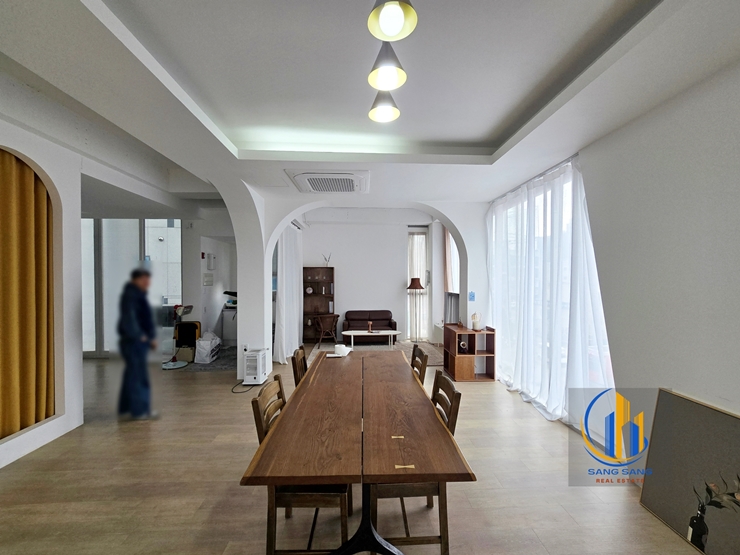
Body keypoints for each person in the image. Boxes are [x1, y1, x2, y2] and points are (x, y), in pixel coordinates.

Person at [117, 268, 158, 420]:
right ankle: (139, 411)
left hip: (135, 340)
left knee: (131, 375)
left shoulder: (137, 294)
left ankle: (126, 408)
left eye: (148, 279)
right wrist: (142, 336)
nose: (147, 282)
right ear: (135, 280)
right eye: (143, 279)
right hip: (134, 342)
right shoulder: (131, 295)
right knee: (138, 377)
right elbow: (130, 319)